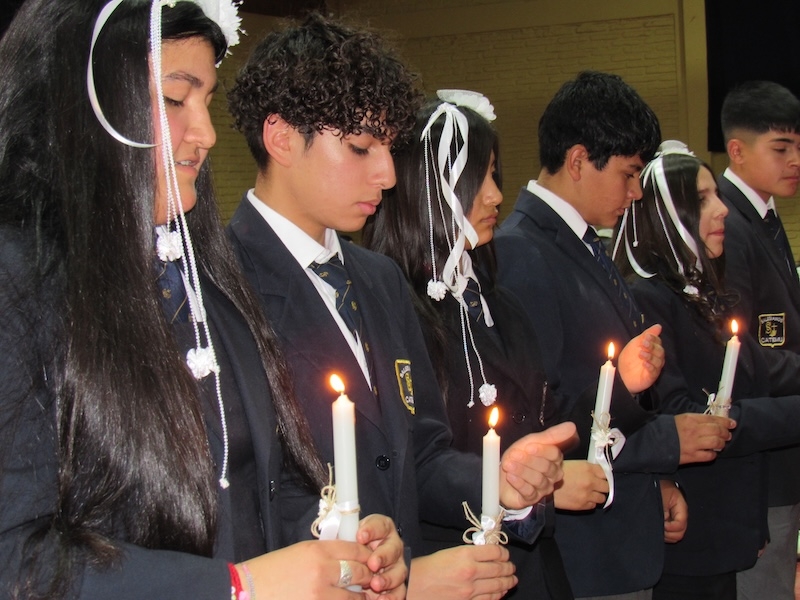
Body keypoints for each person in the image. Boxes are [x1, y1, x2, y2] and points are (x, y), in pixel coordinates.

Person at [0, 1, 408, 598]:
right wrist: (235, 587)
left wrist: (334, 543)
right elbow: (16, 554)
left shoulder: (203, 275)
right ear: (83, 102)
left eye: (206, 100)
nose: (207, 134)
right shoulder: (20, 283)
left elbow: (252, 483)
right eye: (174, 98)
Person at [226, 14, 575, 600]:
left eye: (390, 149)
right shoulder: (222, 284)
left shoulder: (379, 278)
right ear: (282, 138)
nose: (387, 175)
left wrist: (497, 479)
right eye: (362, 148)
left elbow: (422, 453)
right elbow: (243, 500)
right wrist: (398, 576)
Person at [363, 90, 657, 599]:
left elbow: (542, 422)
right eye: (477, 178)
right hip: (455, 566)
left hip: (531, 565)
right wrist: (517, 484)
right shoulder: (396, 313)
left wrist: (619, 387)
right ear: (427, 189)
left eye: (495, 175)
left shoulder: (498, 303)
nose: (495, 195)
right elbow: (414, 464)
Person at [493, 71, 736, 599]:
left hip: (620, 523)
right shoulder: (523, 254)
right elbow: (544, 419)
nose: (634, 193)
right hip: (584, 551)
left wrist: (653, 483)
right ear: (578, 160)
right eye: (628, 175)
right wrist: (664, 443)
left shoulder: (583, 242)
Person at [614, 141, 800, 599]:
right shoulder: (650, 300)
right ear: (666, 213)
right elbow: (682, 414)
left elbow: (762, 374)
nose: (722, 211)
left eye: (717, 195)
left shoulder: (699, 299)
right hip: (692, 536)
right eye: (701, 199)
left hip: (725, 530)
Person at [716, 80, 800, 600]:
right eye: (782, 148)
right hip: (757, 457)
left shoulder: (765, 215)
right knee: (762, 588)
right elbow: (737, 353)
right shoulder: (729, 221)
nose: (795, 160)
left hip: (782, 443)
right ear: (738, 150)